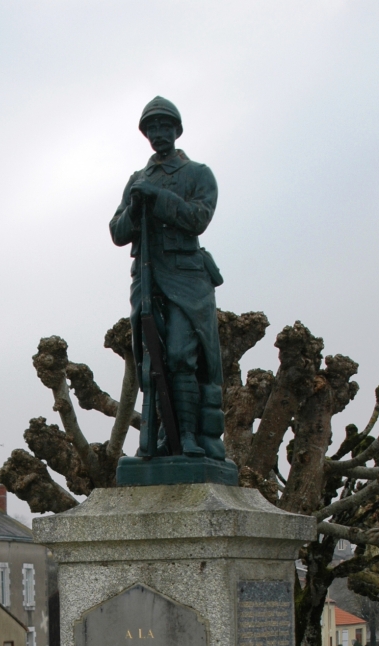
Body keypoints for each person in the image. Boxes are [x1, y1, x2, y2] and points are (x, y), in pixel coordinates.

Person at [110, 96, 226, 460]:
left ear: (177, 130)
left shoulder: (198, 174)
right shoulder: (137, 179)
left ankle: (190, 437)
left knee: (180, 356)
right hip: (147, 278)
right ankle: (160, 438)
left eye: (164, 126)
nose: (158, 134)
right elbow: (117, 232)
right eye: (152, 128)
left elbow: (198, 219)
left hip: (187, 279)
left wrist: (158, 198)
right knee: (151, 363)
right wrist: (135, 205)